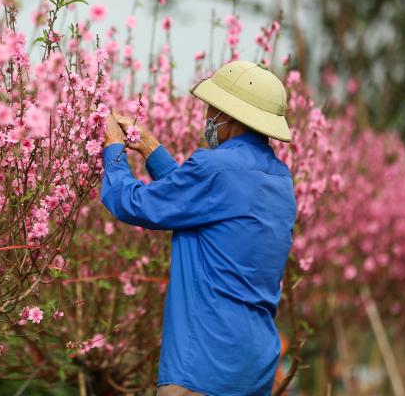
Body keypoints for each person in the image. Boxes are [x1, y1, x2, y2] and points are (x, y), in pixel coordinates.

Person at [101, 61, 297, 396]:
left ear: (229, 117)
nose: (207, 118)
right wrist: (150, 148)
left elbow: (133, 203)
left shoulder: (216, 168)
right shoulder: (280, 179)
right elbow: (204, 205)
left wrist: (113, 152)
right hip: (255, 366)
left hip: (204, 363)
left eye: (211, 109)